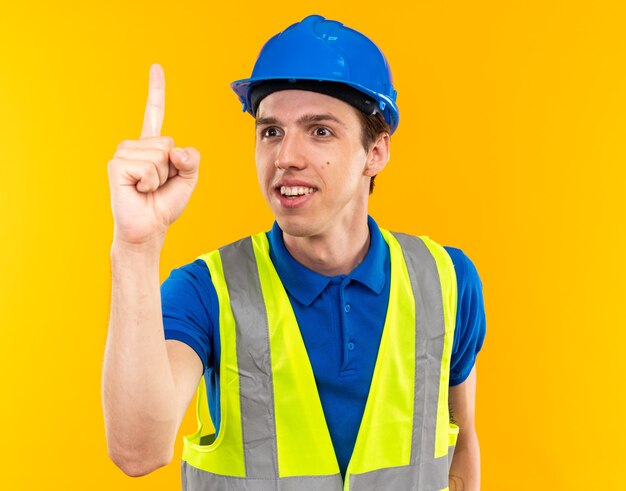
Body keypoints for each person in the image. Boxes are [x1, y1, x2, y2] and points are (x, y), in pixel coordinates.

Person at [103, 14, 486, 491]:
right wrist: (137, 247)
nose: (285, 157)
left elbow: (461, 446)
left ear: (377, 152)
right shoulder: (205, 292)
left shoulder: (446, 281)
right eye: (271, 132)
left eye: (320, 131)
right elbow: (138, 449)